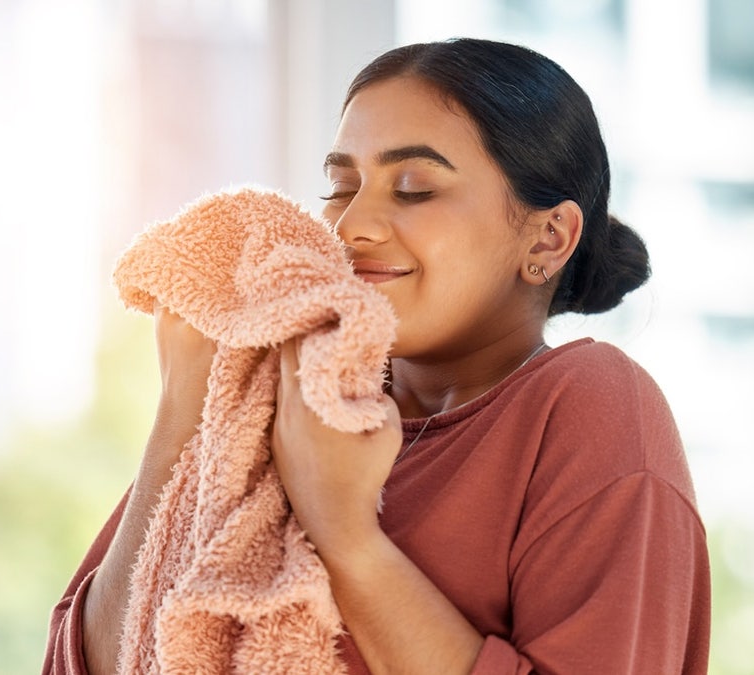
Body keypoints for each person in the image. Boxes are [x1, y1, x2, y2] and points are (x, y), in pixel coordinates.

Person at [44, 38, 710, 674]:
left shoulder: (592, 404)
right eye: (341, 185)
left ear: (547, 238)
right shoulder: (278, 391)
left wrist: (348, 537)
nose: (351, 225)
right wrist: (180, 417)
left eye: (415, 187)